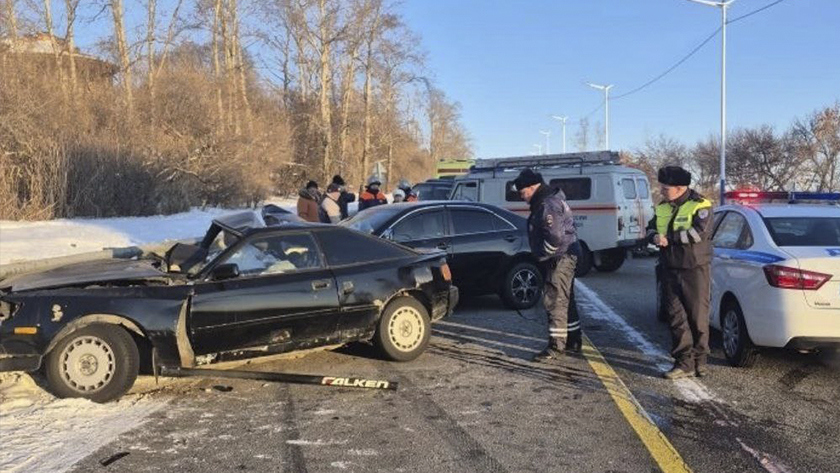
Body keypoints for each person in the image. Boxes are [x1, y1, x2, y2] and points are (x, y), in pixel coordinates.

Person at [646, 165, 713, 379]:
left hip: (694, 269)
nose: (661, 191)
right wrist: (654, 236)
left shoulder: (701, 205)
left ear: (680, 188)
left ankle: (700, 360)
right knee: (676, 318)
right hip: (669, 267)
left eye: (665, 188)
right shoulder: (662, 207)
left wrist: (669, 239)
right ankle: (684, 362)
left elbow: (699, 233)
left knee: (697, 317)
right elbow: (650, 228)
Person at [513, 169, 581, 363]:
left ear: (532, 187)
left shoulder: (546, 204)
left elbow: (555, 237)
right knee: (566, 299)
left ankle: (556, 347)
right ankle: (573, 339)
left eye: (522, 192)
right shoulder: (551, 200)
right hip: (567, 254)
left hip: (560, 257)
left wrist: (544, 255)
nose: (522, 196)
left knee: (555, 300)